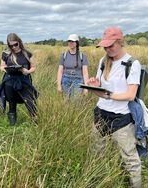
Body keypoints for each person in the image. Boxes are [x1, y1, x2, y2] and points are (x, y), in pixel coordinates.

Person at [86, 27, 142, 188]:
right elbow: (100, 92)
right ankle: (96, 181)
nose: (107, 49)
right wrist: (94, 86)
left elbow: (131, 95)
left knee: (130, 158)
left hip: (121, 118)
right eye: (105, 46)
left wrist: (107, 94)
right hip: (100, 114)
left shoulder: (132, 64)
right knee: (96, 152)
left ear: (120, 42)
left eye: (111, 45)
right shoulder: (103, 62)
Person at [0, 33, 38, 125]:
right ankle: (13, 126)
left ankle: (35, 124)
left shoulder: (27, 54)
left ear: (19, 42)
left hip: (24, 81)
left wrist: (27, 71)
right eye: (11, 45)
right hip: (9, 81)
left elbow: (34, 67)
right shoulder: (6, 54)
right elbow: (2, 66)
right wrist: (6, 69)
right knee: (12, 103)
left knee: (30, 101)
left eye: (15, 44)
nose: (13, 47)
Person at [57, 34, 89, 98]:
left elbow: (85, 73)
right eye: (69, 41)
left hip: (78, 80)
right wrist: (59, 85)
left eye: (72, 41)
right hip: (65, 80)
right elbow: (60, 71)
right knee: (65, 100)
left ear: (76, 43)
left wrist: (86, 87)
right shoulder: (63, 55)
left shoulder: (82, 56)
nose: (70, 43)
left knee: (76, 101)